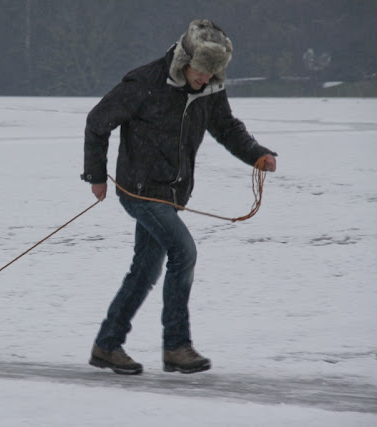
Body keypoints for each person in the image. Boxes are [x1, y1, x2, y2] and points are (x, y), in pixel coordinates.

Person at [82, 19, 277, 375]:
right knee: (183, 251)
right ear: (185, 60)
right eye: (201, 73)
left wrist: (257, 154)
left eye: (212, 75)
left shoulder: (210, 90)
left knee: (145, 271)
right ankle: (176, 345)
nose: (205, 80)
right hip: (138, 190)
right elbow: (97, 121)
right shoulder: (145, 82)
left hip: (172, 194)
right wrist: (96, 176)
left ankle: (107, 345)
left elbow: (227, 127)